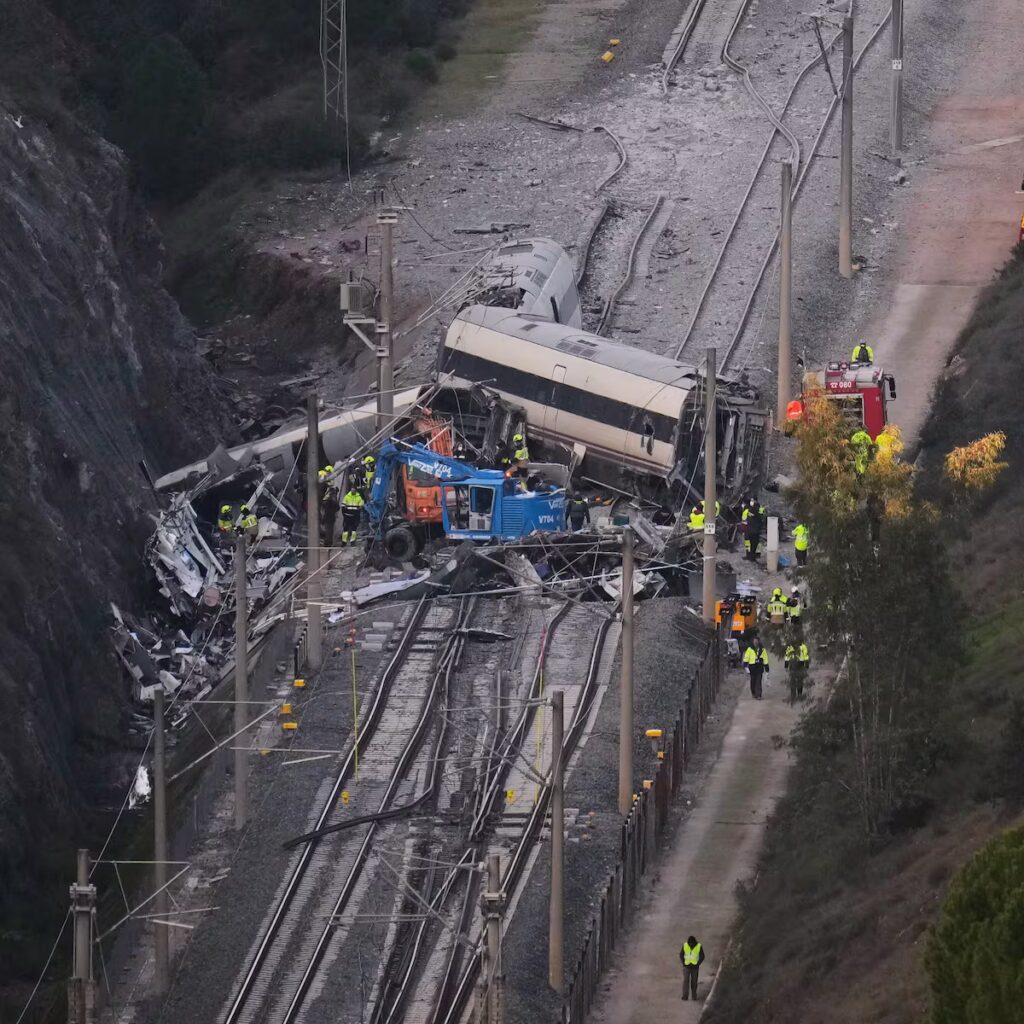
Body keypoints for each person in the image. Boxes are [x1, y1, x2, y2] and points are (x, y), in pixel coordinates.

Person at [680, 935, 705, 1001]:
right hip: (686, 966)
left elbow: (702, 956)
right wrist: (684, 962)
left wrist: (698, 963)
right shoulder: (685, 945)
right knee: (686, 981)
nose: (691, 944)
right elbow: (681, 954)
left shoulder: (698, 946)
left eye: (692, 943)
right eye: (690, 943)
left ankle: (694, 996)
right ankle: (685, 996)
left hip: (695, 967)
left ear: (694, 942)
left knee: (694, 982)